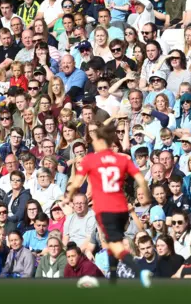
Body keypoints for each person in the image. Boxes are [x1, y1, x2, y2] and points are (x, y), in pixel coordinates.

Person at [64, 123, 152, 287]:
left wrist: (68, 196)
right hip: (122, 207)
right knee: (112, 243)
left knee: (115, 245)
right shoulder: (121, 159)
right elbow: (140, 178)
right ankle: (113, 276)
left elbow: (76, 181)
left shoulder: (92, 159)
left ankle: (139, 272)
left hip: (106, 208)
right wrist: (146, 195)